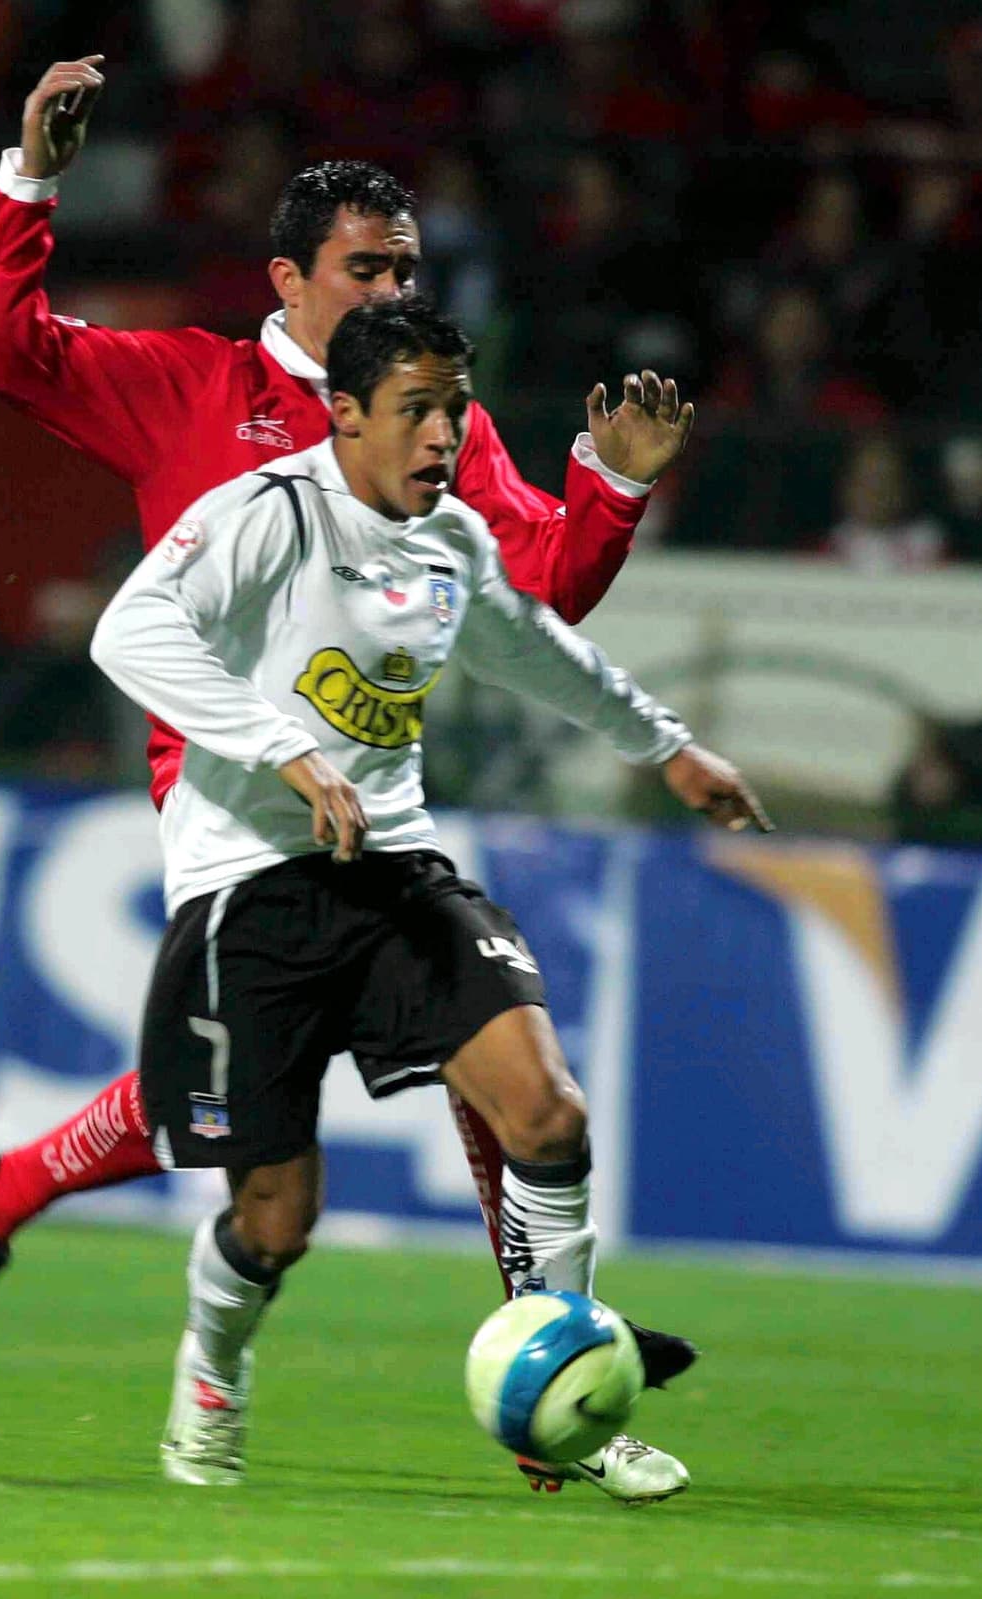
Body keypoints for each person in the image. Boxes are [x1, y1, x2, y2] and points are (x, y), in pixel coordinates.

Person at [0, 53, 698, 1501]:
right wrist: (31, 177)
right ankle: (24, 1198)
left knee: (504, 1077)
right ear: (287, 281)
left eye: (405, 266)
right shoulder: (187, 385)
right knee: (250, 1144)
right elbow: (6, 352)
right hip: (230, 803)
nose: (391, 288)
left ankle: (552, 1356)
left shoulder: (435, 416)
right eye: (363, 269)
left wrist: (612, 487)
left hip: (375, 804)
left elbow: (539, 589)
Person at [84, 297, 769, 1488]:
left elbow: (536, 652)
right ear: (346, 414)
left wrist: (665, 747)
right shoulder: (268, 513)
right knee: (275, 1218)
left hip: (394, 872)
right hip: (249, 886)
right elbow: (128, 632)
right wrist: (285, 753)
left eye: (454, 409)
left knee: (546, 1117)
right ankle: (211, 1374)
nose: (443, 435)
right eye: (415, 410)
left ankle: (572, 1404)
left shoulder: (448, 540)